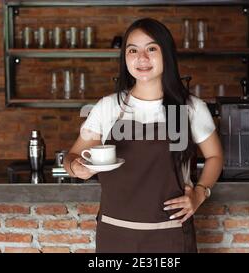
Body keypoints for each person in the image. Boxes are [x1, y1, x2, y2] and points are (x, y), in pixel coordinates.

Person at [64, 18, 223, 253]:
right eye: (133, 50)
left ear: (166, 54)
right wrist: (76, 168)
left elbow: (215, 157)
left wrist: (200, 193)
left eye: (151, 48)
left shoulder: (187, 108)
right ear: (125, 58)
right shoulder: (109, 107)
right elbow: (73, 156)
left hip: (170, 234)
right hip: (116, 234)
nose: (142, 58)